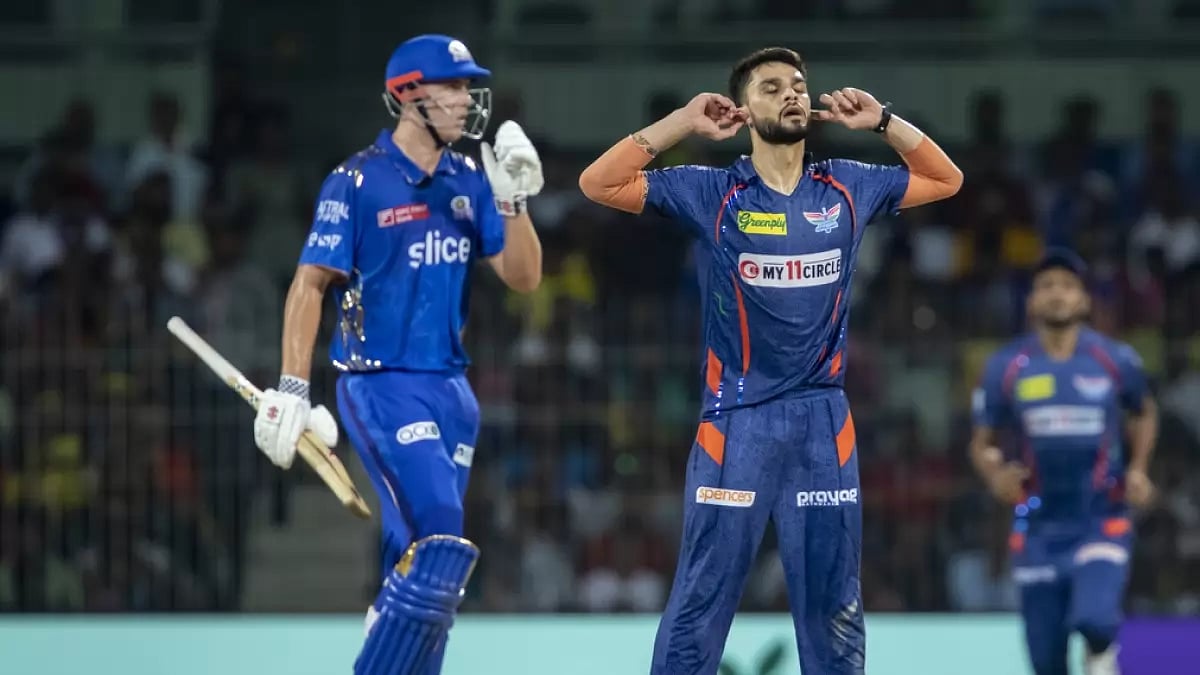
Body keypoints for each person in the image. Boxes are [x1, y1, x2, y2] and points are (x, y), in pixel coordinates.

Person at [578, 47, 962, 675]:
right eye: (770, 87)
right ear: (743, 110)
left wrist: (885, 122)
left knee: (833, 602)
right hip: (737, 422)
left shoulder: (849, 183)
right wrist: (681, 122)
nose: (789, 93)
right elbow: (599, 183)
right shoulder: (714, 189)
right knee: (703, 597)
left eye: (797, 85)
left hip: (822, 420)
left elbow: (948, 180)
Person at [250, 34, 544, 674]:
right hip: (378, 385)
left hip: (453, 393)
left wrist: (516, 202)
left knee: (416, 549)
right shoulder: (355, 181)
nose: (467, 100)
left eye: (469, 86)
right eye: (454, 86)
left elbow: (523, 277)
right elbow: (310, 283)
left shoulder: (470, 177)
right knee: (441, 526)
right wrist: (294, 387)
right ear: (409, 95)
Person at [970, 248, 1158, 675]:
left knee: (1094, 619)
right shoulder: (1008, 366)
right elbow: (982, 441)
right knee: (1046, 661)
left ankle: (1102, 655)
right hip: (1037, 527)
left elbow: (1144, 411)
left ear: (1085, 301)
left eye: (1069, 286)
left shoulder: (1115, 359)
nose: (1058, 294)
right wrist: (995, 473)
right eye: (1047, 286)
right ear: (1032, 301)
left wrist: (1139, 469)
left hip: (1101, 516)